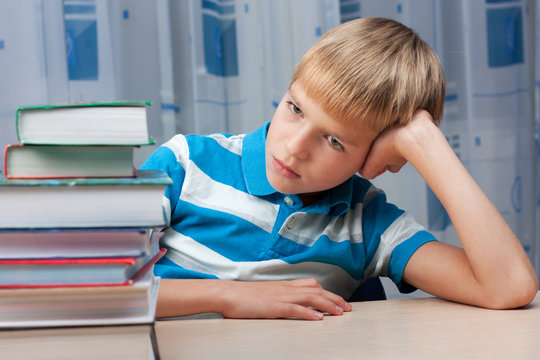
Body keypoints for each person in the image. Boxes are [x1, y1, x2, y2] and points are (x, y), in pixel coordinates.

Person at [141, 17, 538, 320]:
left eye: (334, 141)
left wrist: (424, 141)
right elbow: (90, 289)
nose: (294, 148)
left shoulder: (368, 225)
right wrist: (229, 296)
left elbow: (510, 287)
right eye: (295, 108)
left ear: (377, 159)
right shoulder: (185, 164)